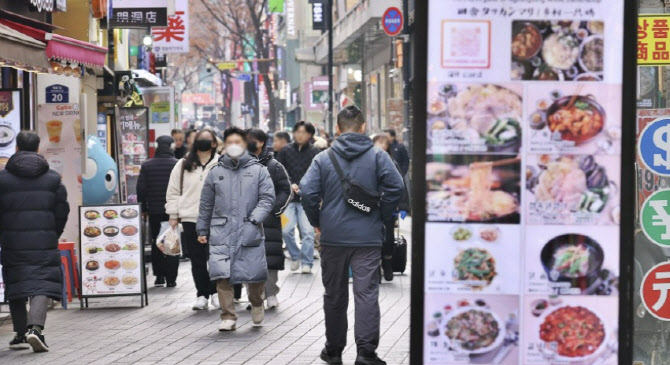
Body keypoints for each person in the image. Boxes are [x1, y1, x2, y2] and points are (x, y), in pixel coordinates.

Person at [301, 106, 404, 365]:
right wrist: (383, 214)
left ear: (337, 128)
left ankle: (333, 350)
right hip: (367, 237)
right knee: (366, 294)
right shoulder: (378, 156)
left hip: (333, 237)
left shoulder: (323, 158)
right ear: (362, 127)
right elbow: (396, 186)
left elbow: (307, 191)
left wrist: (318, 220)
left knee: (334, 294)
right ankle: (366, 353)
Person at [197, 127, 275, 331]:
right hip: (221, 230)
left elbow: (267, 199)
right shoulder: (216, 172)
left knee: (254, 275)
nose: (233, 146)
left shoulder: (259, 170)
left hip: (249, 229)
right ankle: (228, 315)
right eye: (229, 142)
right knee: (222, 274)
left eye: (237, 142)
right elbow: (206, 203)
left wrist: (254, 219)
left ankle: (257, 304)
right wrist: (202, 229)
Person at [0, 131, 70, 353]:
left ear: (17, 149)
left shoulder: (2, 179)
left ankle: (21, 333)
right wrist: (53, 233)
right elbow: (62, 211)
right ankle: (35, 329)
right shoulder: (53, 179)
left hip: (12, 241)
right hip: (44, 240)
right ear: (39, 149)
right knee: (41, 281)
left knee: (16, 283)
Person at [166, 129, 220, 310]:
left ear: (214, 143)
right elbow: (173, 191)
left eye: (208, 139)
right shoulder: (182, 165)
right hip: (190, 218)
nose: (204, 142)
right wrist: (173, 215)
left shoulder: (222, 163)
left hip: (216, 218)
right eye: (201, 138)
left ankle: (215, 293)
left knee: (216, 258)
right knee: (197, 259)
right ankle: (202, 294)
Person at [246, 128, 292, 309]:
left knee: (270, 258)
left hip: (269, 220)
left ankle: (271, 292)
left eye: (253, 140)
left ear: (262, 142)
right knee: (248, 259)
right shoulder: (237, 164)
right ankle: (255, 295)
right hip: (246, 220)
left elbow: (285, 190)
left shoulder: (274, 165)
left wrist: (274, 209)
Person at [276, 121, 320, 273]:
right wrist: (290, 185)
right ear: (293, 133)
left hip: (307, 200)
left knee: (308, 232)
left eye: (304, 132)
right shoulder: (285, 151)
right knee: (286, 230)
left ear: (310, 135)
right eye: (298, 132)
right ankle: (295, 256)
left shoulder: (315, 152)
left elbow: (317, 175)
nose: (300, 135)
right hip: (287, 199)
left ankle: (307, 262)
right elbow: (279, 172)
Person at [137, 135, 180, 287]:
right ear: (171, 146)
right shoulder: (177, 164)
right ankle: (171, 278)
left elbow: (141, 188)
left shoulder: (147, 165)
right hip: (172, 211)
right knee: (171, 242)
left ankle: (159, 277)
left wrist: (143, 208)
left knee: (157, 242)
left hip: (154, 210)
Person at [371, 133, 410, 282]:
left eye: (383, 144)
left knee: (387, 237)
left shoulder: (393, 163)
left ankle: (387, 261)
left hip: (388, 205)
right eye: (377, 144)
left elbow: (401, 185)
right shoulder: (366, 162)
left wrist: (403, 205)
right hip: (371, 205)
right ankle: (375, 266)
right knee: (373, 236)